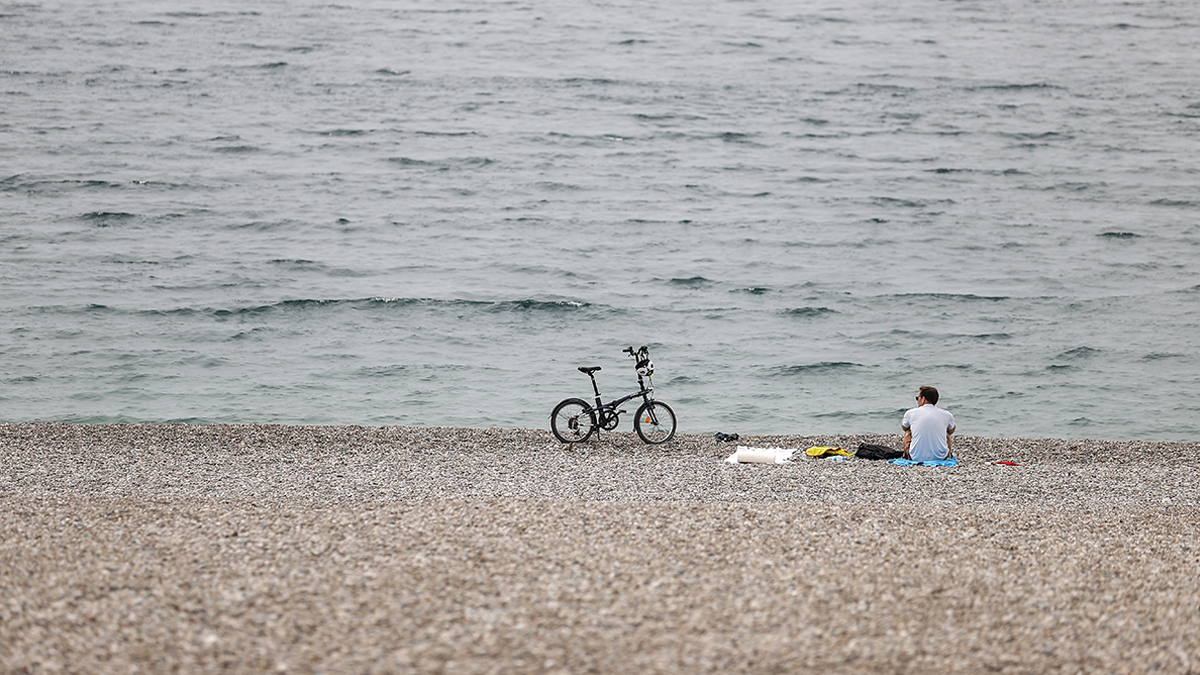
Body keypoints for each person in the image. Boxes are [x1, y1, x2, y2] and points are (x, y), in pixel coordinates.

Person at [901, 386, 955, 461]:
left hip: (916, 457)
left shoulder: (911, 413)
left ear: (923, 399)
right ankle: (947, 454)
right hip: (941, 457)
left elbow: (904, 427)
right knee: (947, 433)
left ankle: (907, 455)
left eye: (917, 398)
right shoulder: (947, 414)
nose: (917, 400)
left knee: (908, 431)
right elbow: (951, 430)